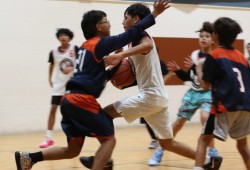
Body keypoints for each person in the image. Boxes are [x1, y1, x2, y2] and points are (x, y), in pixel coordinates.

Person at [14, 1, 171, 170]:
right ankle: (102, 162)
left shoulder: (84, 48)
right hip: (82, 100)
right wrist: (154, 13)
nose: (110, 24)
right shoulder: (99, 44)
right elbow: (132, 33)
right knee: (109, 140)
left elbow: (100, 74)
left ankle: (29, 158)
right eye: (106, 21)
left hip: (68, 101)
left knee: (72, 150)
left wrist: (115, 68)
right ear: (99, 27)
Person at [81, 2, 221, 170]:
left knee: (105, 114)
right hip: (157, 97)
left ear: (136, 19)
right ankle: (208, 161)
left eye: (125, 18)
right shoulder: (132, 41)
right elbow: (134, 67)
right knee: (167, 143)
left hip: (151, 96)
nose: (122, 22)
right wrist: (118, 61)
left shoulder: (141, 35)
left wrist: (122, 55)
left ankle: (104, 160)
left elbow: (147, 45)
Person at [148, 22, 219, 166]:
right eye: (201, 36)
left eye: (207, 36)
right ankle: (161, 150)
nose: (203, 38)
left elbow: (209, 79)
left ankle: (212, 151)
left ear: (213, 39)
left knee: (205, 119)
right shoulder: (195, 55)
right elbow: (189, 78)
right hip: (193, 93)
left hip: (208, 93)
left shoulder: (216, 56)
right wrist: (179, 70)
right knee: (178, 124)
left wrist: (197, 68)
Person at [194, 17, 250, 170]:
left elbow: (205, 86)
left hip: (225, 106)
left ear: (215, 36)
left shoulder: (214, 55)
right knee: (242, 144)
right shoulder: (242, 58)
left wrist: (199, 69)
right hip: (245, 106)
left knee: (203, 140)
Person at [39, 28, 78, 148]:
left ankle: (74, 136)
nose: (63, 37)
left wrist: (73, 69)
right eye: (61, 35)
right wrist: (50, 79)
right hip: (59, 86)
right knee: (53, 110)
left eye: (66, 35)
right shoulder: (53, 52)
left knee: (71, 112)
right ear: (58, 38)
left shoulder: (75, 49)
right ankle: (49, 138)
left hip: (72, 85)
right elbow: (51, 65)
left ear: (69, 37)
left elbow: (81, 63)